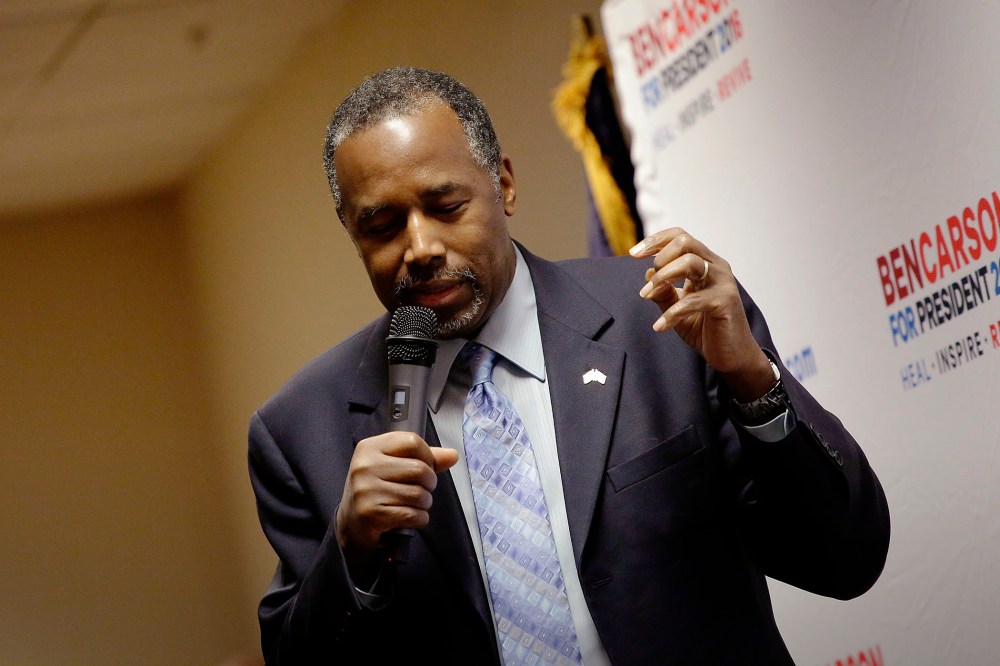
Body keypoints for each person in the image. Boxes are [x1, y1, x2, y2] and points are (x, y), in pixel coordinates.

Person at [249, 67, 889, 665]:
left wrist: (753, 383)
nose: (420, 248)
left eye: (445, 206)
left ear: (503, 183)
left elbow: (844, 558)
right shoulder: (301, 433)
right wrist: (353, 556)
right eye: (383, 226)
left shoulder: (663, 321)